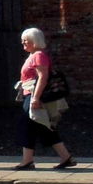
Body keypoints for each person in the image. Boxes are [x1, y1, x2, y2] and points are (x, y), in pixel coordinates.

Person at [13, 26, 76, 170]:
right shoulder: (33, 55)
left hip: (34, 96)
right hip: (30, 94)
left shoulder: (38, 56)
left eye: (25, 41)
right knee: (44, 127)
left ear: (34, 41)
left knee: (27, 126)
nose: (23, 44)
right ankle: (66, 157)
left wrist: (36, 98)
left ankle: (27, 161)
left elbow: (43, 77)